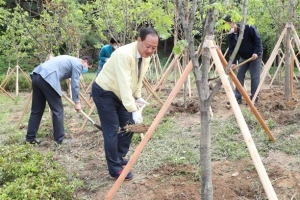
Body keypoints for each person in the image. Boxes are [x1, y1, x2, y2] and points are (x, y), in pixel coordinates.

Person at [92, 27, 159, 180]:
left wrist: (137, 96)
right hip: (105, 91)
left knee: (129, 125)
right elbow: (124, 83)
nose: (150, 50)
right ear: (139, 40)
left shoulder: (145, 57)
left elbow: (138, 78)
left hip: (121, 93)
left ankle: (119, 156)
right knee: (113, 129)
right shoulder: (124, 54)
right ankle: (114, 169)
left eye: (154, 48)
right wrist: (133, 109)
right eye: (147, 46)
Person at [25, 55, 93, 145]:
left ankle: (30, 139)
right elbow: (75, 83)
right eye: (88, 67)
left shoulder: (69, 58)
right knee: (58, 110)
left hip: (36, 74)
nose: (86, 70)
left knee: (37, 110)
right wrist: (77, 102)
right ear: (84, 61)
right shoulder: (78, 64)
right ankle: (59, 140)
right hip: (48, 77)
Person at [223, 14, 263, 104]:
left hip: (255, 55)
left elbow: (258, 40)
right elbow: (232, 50)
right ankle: (237, 97)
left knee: (254, 76)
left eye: (227, 25)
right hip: (244, 57)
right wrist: (233, 62)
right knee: (240, 75)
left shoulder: (248, 28)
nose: (226, 28)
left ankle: (254, 97)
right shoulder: (231, 35)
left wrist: (256, 52)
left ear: (233, 23)